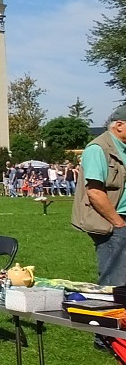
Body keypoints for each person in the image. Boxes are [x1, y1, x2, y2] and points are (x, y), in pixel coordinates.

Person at [73, 105, 126, 291]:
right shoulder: (98, 149)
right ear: (119, 125)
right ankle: (109, 317)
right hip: (110, 221)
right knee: (115, 280)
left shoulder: (122, 148)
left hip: (119, 219)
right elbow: (94, 191)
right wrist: (118, 223)